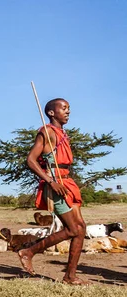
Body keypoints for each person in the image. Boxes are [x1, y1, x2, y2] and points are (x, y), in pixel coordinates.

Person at [18, 98, 88, 285]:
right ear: (51, 112)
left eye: (69, 108)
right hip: (55, 183)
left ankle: (70, 276)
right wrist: (50, 181)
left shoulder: (62, 133)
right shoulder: (47, 132)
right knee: (73, 229)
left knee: (81, 230)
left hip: (67, 181)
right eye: (63, 108)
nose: (68, 111)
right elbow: (31, 160)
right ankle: (29, 251)